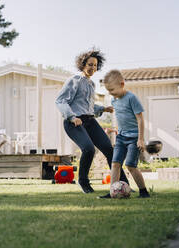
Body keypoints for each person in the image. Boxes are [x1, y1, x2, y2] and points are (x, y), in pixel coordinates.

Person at [55, 49, 130, 194]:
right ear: (83, 64)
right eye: (90, 64)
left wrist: (103, 108)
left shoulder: (91, 84)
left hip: (89, 121)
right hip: (74, 122)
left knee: (109, 149)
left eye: (95, 65)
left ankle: (122, 184)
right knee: (88, 149)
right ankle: (83, 182)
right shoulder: (74, 80)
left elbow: (87, 107)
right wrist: (72, 117)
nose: (93, 68)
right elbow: (61, 100)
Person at [103, 69, 150, 198]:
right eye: (108, 90)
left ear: (122, 84)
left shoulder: (131, 98)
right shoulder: (114, 101)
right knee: (115, 163)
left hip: (134, 138)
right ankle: (113, 191)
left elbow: (140, 119)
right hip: (121, 137)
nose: (110, 93)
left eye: (112, 90)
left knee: (130, 165)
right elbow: (120, 117)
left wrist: (140, 139)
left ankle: (143, 191)